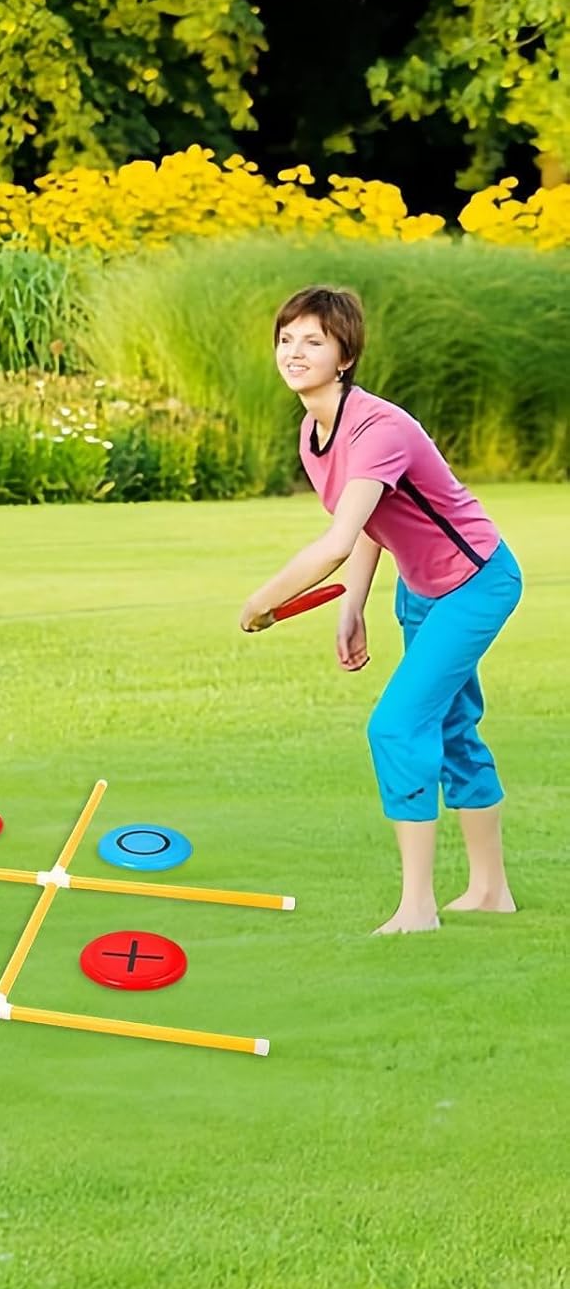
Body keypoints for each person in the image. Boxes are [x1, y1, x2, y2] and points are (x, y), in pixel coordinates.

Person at [239, 285, 522, 934]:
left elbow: (336, 542)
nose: (294, 352)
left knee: (396, 726)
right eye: (286, 339)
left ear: (345, 356)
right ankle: (490, 892)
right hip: (420, 588)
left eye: (313, 341)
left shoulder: (378, 428)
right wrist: (354, 605)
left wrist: (261, 602)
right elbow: (369, 522)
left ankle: (418, 908)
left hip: (476, 583)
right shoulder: (314, 432)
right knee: (452, 726)